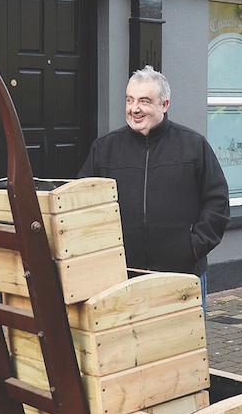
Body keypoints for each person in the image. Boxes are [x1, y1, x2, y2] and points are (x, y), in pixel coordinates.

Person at [78, 66, 229, 289]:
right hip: (121, 276)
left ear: (164, 105)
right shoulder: (104, 148)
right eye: (129, 100)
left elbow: (217, 201)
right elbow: (81, 205)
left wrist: (193, 247)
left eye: (144, 101)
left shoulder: (193, 145)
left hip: (182, 275)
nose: (134, 109)